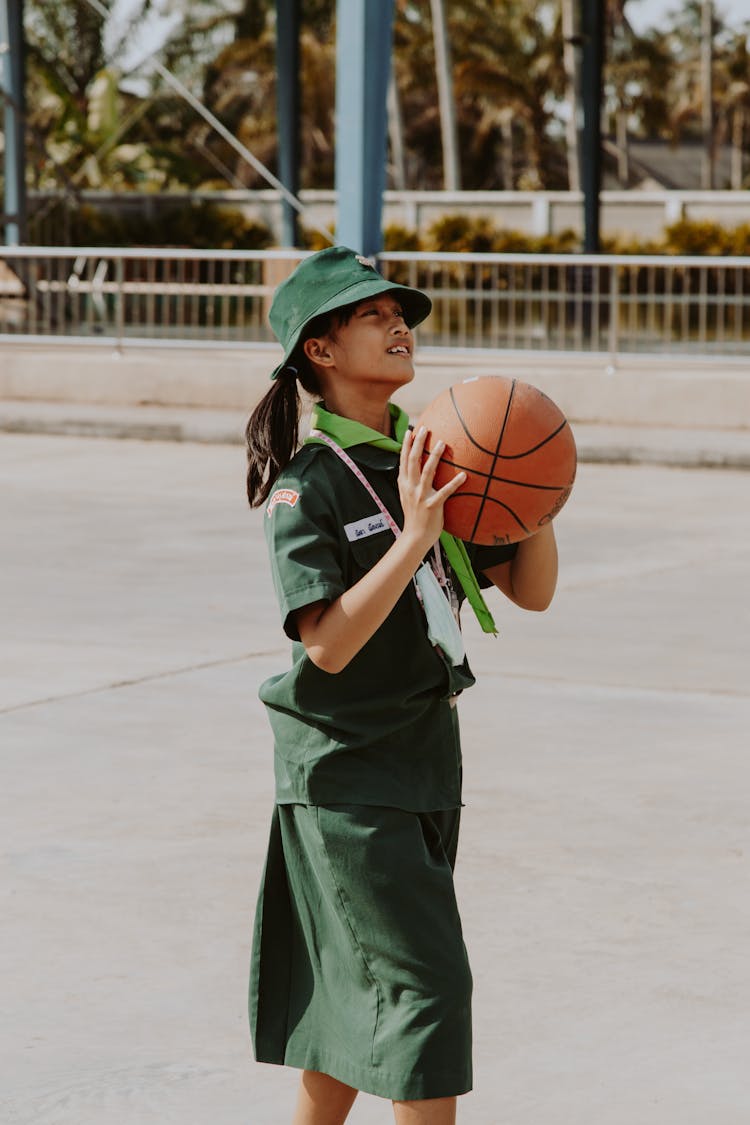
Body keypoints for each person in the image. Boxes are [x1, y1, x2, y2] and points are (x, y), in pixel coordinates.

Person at [245, 246, 558, 1125]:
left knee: (357, 1008)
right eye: (373, 314)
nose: (400, 325)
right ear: (321, 350)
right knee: (428, 992)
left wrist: (539, 492)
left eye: (402, 313)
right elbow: (329, 647)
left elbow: (532, 590)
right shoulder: (306, 487)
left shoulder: (436, 452)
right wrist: (415, 534)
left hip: (421, 764)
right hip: (345, 778)